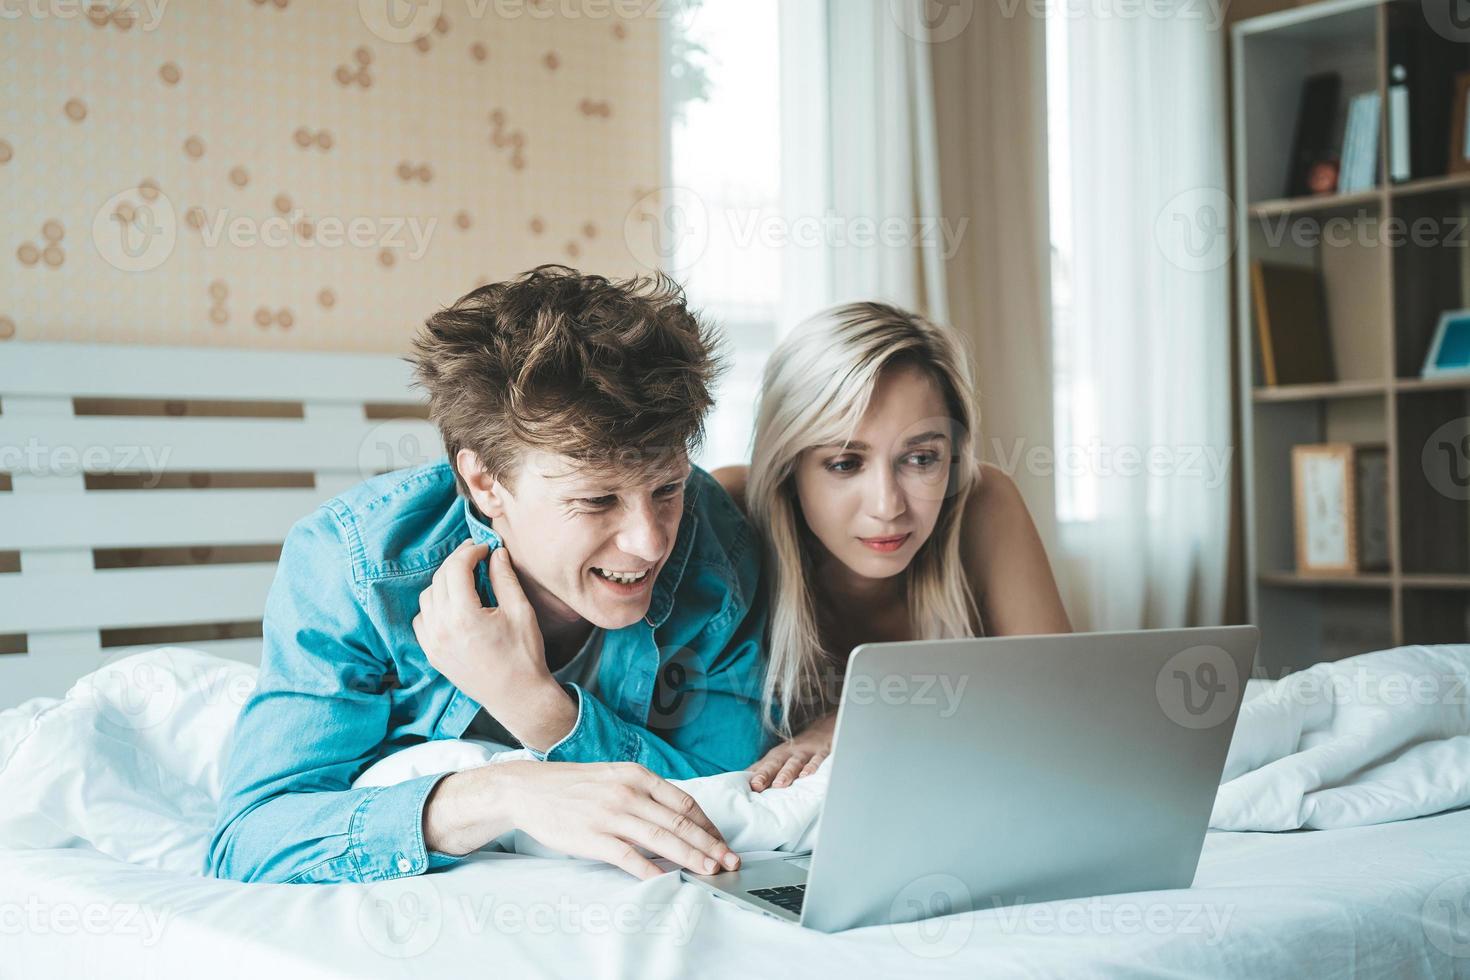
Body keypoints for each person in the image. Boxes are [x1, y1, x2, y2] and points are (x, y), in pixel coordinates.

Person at [208, 266, 766, 884]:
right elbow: (251, 841)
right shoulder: (356, 567)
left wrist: (539, 710)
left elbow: (729, 794)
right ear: (485, 483)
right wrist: (508, 795)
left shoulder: (711, 538)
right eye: (596, 500)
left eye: (666, 487)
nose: (652, 540)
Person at [713, 302, 1071, 792]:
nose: (887, 506)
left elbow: (1062, 700)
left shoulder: (983, 502)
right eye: (844, 463)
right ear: (788, 467)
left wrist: (857, 715)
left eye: (921, 458)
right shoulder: (729, 510)